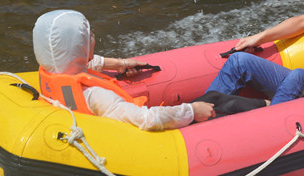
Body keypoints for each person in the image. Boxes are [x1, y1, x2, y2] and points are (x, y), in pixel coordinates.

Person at [32, 9, 215, 130]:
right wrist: (191, 111)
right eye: (89, 36)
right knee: (218, 102)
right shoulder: (95, 95)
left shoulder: (51, 72)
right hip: (134, 143)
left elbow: (79, 63)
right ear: (79, 47)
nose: (94, 37)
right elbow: (146, 119)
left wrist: (120, 64)